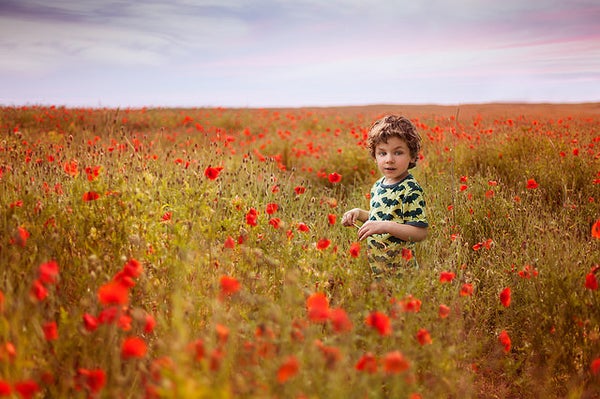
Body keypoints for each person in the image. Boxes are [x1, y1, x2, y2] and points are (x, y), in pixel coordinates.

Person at [342, 115, 428, 276]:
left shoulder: (410, 189)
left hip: (402, 273)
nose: (389, 160)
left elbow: (419, 233)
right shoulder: (378, 186)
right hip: (379, 270)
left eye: (398, 152)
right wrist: (358, 213)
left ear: (412, 156)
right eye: (382, 153)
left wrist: (384, 226)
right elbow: (381, 217)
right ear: (374, 157)